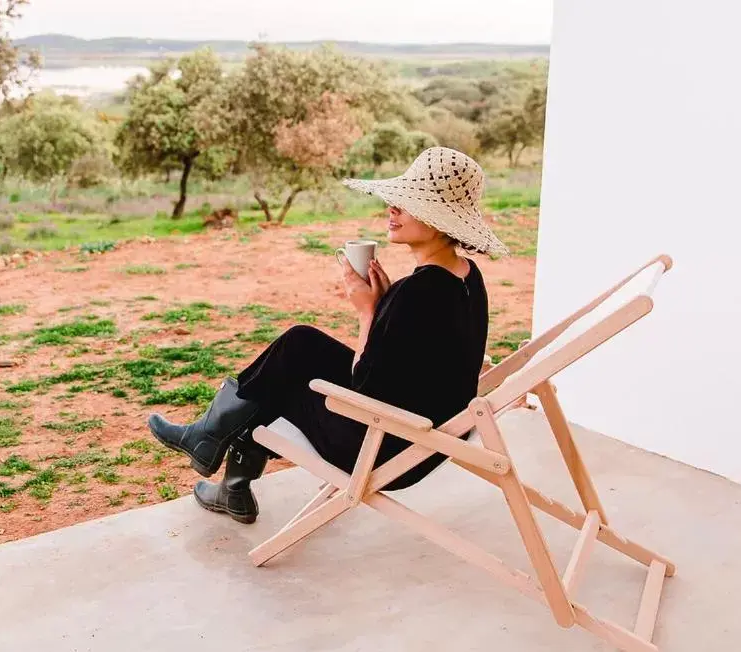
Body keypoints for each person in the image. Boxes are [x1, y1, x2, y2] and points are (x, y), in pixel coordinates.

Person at [148, 146, 510, 524]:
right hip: (426, 436)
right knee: (300, 344)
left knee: (281, 379)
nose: (392, 208)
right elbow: (415, 354)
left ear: (437, 220)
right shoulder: (465, 275)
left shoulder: (416, 293)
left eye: (406, 203)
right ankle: (219, 462)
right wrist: (387, 307)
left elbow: (363, 388)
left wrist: (368, 311)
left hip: (385, 448)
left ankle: (221, 464)